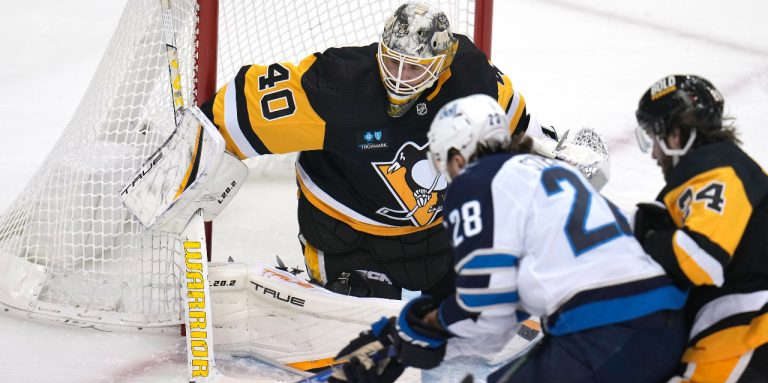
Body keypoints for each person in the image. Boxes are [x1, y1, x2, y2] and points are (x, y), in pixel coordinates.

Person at [327, 94, 689, 383]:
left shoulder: (475, 183)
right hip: (666, 321)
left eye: (444, 163)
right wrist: (411, 344)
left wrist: (402, 339)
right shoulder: (554, 173)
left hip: (603, 329)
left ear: (458, 155)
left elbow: (483, 309)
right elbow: (498, 322)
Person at [199, 2, 557, 302]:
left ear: (442, 63)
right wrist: (189, 157)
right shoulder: (338, 86)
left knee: (475, 307)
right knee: (360, 335)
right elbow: (234, 115)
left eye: (414, 67)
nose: (399, 77)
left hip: (428, 232)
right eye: (392, 61)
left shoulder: (470, 78)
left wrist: (555, 163)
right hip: (344, 229)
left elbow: (519, 129)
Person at [623, 75, 768, 383]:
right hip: (744, 351)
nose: (654, 152)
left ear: (676, 135)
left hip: (738, 346)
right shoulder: (733, 168)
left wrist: (648, 236)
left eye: (655, 136)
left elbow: (701, 257)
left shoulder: (716, 167)